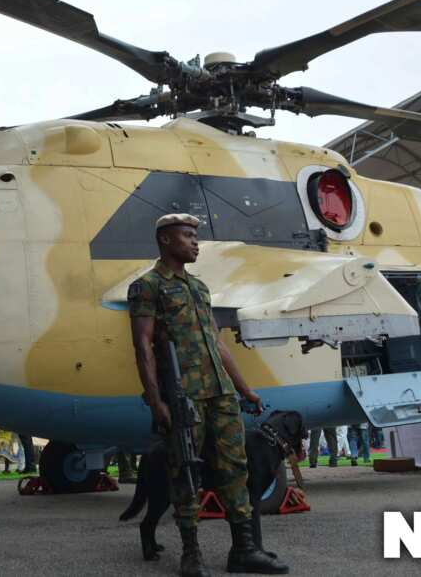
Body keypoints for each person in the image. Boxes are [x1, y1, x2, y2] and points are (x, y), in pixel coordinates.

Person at [129, 213, 286, 575]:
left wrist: (244, 389)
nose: (195, 242)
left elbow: (218, 343)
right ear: (167, 241)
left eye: (195, 235)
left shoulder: (199, 288)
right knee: (185, 473)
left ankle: (244, 550)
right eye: (188, 235)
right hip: (185, 398)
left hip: (221, 394)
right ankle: (191, 554)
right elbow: (143, 346)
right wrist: (156, 401)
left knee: (236, 470)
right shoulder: (147, 286)